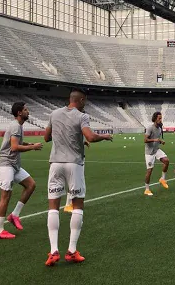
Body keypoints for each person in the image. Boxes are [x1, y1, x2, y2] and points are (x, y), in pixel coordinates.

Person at [43, 89, 113, 266]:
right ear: (80, 100)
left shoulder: (54, 113)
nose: (85, 104)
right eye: (85, 101)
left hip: (55, 164)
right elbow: (90, 135)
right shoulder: (81, 116)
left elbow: (46, 137)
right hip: (74, 164)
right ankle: (72, 251)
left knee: (53, 206)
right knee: (77, 205)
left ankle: (53, 252)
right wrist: (104, 136)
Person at [0, 102, 42, 239]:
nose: (28, 111)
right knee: (6, 195)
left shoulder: (18, 126)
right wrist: (33, 148)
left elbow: (18, 142)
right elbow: (14, 147)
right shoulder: (15, 126)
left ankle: (14, 215)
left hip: (13, 165)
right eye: (26, 109)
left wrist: (29, 144)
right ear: (19, 113)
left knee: (31, 184)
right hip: (5, 164)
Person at [143, 111, 170, 196]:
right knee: (149, 171)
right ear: (155, 119)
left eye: (161, 118)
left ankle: (162, 179)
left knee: (166, 161)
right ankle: (147, 189)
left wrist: (161, 141)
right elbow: (145, 140)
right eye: (159, 118)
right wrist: (155, 140)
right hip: (149, 152)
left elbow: (157, 138)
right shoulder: (150, 128)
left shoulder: (159, 128)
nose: (161, 120)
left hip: (156, 150)